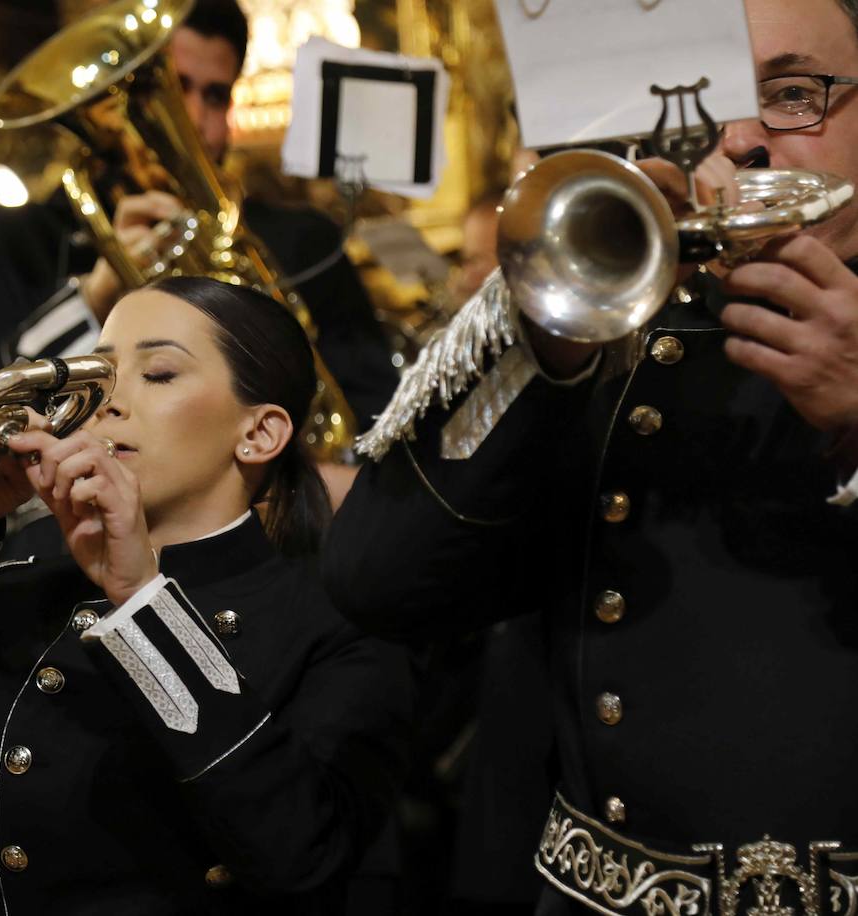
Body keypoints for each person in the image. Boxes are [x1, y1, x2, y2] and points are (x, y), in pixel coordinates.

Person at [323, 0, 858, 913]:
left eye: (794, 94)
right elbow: (378, 580)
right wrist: (552, 345)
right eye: (718, 100)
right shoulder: (622, 335)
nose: (740, 140)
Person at [0, 276, 414, 914]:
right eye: (104, 376)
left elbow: (300, 853)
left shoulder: (343, 617)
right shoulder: (38, 580)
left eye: (160, 374)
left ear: (259, 434)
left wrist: (141, 599)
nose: (108, 405)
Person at [0, 0, 397, 427]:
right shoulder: (8, 240)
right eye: (172, 89)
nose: (194, 119)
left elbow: (377, 412)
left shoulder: (305, 241)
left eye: (216, 96)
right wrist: (100, 293)